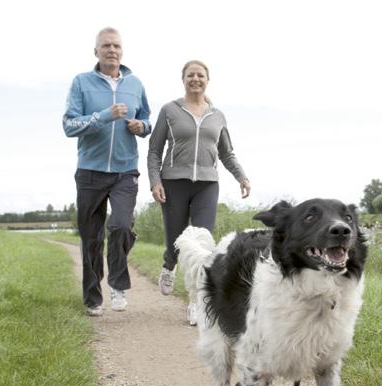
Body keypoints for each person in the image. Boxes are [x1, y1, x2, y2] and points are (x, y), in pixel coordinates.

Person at [148, 60, 251, 325]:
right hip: (174, 182)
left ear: (207, 80)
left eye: (200, 75)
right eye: (191, 75)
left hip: (207, 184)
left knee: (202, 244)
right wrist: (155, 181)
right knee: (176, 240)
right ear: (183, 79)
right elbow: (155, 150)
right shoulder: (170, 110)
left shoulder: (217, 115)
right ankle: (169, 264)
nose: (196, 79)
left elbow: (227, 153)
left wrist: (241, 176)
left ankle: (196, 303)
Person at [63, 27, 151, 316]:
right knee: (91, 237)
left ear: (122, 51)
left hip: (125, 171)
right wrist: (102, 117)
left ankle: (117, 283)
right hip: (90, 171)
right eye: (105, 46)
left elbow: (146, 117)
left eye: (116, 46)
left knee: (122, 225)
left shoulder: (135, 83)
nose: (111, 50)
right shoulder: (81, 82)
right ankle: (92, 297)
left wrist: (142, 127)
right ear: (96, 51)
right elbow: (68, 125)